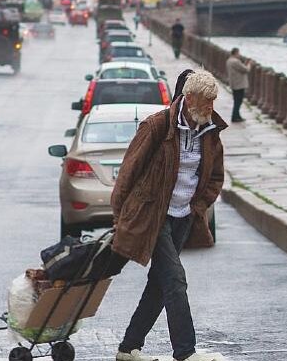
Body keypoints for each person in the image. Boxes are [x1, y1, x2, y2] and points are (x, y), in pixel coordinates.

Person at [111, 69, 227, 361]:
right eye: (206, 101)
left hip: (183, 217)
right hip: (153, 216)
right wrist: (120, 217)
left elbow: (215, 177)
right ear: (188, 99)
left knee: (159, 284)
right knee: (175, 279)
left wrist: (197, 207)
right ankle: (186, 352)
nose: (211, 107)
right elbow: (128, 173)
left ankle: (128, 348)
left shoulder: (210, 132)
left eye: (213, 101)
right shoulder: (157, 126)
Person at [225, 47, 251, 123]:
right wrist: (249, 64)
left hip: (234, 83)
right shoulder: (235, 61)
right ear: (235, 53)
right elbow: (246, 70)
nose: (239, 55)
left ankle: (237, 116)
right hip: (239, 84)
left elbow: (240, 68)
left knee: (237, 100)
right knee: (238, 101)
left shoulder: (229, 60)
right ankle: (235, 116)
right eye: (239, 53)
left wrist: (245, 63)